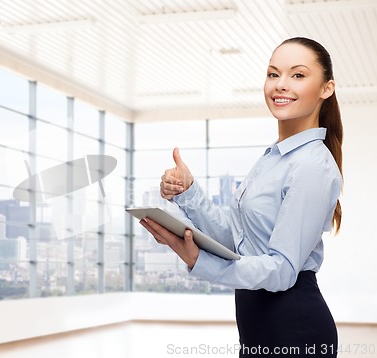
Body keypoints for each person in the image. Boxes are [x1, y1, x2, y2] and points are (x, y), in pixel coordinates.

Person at [140, 37, 343, 357]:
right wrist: (188, 193)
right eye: (273, 74)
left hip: (295, 330)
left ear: (326, 89)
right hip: (258, 324)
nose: (281, 85)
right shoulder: (271, 159)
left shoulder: (312, 164)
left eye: (298, 75)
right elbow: (237, 239)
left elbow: (282, 270)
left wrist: (198, 261)